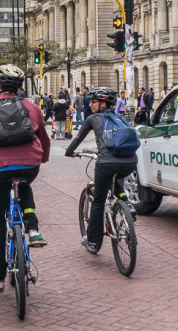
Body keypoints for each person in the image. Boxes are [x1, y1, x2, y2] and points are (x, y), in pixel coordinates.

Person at [0, 64, 51, 292]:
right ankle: (33, 230)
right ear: (20, 87)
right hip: (29, 165)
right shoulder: (33, 108)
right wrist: (42, 158)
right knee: (24, 184)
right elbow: (44, 138)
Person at [65, 86, 139, 254]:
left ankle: (93, 241)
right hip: (130, 163)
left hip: (106, 163)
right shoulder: (121, 118)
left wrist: (69, 152)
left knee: (98, 201)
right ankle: (126, 203)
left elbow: (78, 139)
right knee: (115, 180)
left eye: (94, 101)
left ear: (103, 104)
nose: (90, 104)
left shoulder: (93, 119)